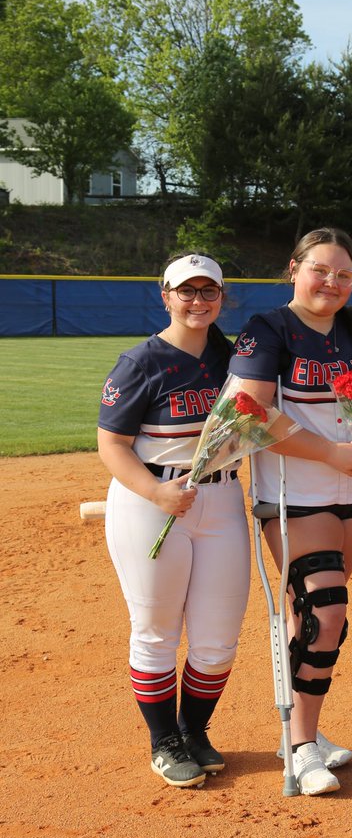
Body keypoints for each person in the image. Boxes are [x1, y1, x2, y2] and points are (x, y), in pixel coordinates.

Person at [229, 228, 352, 795]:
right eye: (321, 270)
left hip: (350, 495)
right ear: (294, 269)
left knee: (313, 615)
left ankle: (302, 730)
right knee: (324, 611)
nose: (332, 282)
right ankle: (301, 746)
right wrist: (330, 451)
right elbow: (250, 411)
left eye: (344, 274)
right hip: (291, 493)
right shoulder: (269, 329)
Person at [98, 253, 251, 788]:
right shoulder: (140, 362)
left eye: (209, 291)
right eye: (186, 291)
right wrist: (155, 492)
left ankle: (193, 730)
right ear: (165, 296)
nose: (198, 301)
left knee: (217, 638)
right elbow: (112, 444)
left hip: (222, 498)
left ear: (221, 298)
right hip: (153, 500)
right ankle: (163, 741)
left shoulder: (233, 360)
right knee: (157, 630)